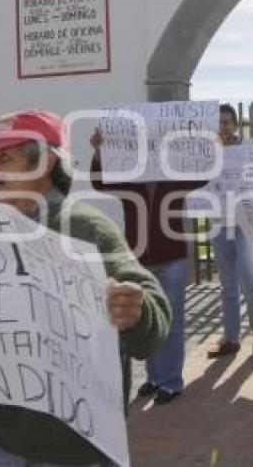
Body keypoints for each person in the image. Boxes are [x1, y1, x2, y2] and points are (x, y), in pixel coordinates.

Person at [0, 109, 171, 465]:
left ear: (44, 162)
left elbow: (152, 318)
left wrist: (136, 310)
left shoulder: (86, 227)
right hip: (2, 435)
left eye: (4, 159)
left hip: (75, 447)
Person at [89, 127, 206, 405]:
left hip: (173, 258)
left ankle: (171, 381)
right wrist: (98, 152)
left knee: (172, 319)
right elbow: (100, 183)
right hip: (139, 260)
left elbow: (205, 176)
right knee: (146, 319)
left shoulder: (176, 177)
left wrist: (208, 148)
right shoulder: (129, 179)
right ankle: (153, 378)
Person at [206, 103, 253, 360]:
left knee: (249, 279)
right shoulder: (207, 150)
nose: (223, 127)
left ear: (235, 124)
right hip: (219, 223)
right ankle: (231, 338)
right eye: (219, 123)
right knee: (227, 285)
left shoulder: (246, 148)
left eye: (227, 122)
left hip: (243, 224)